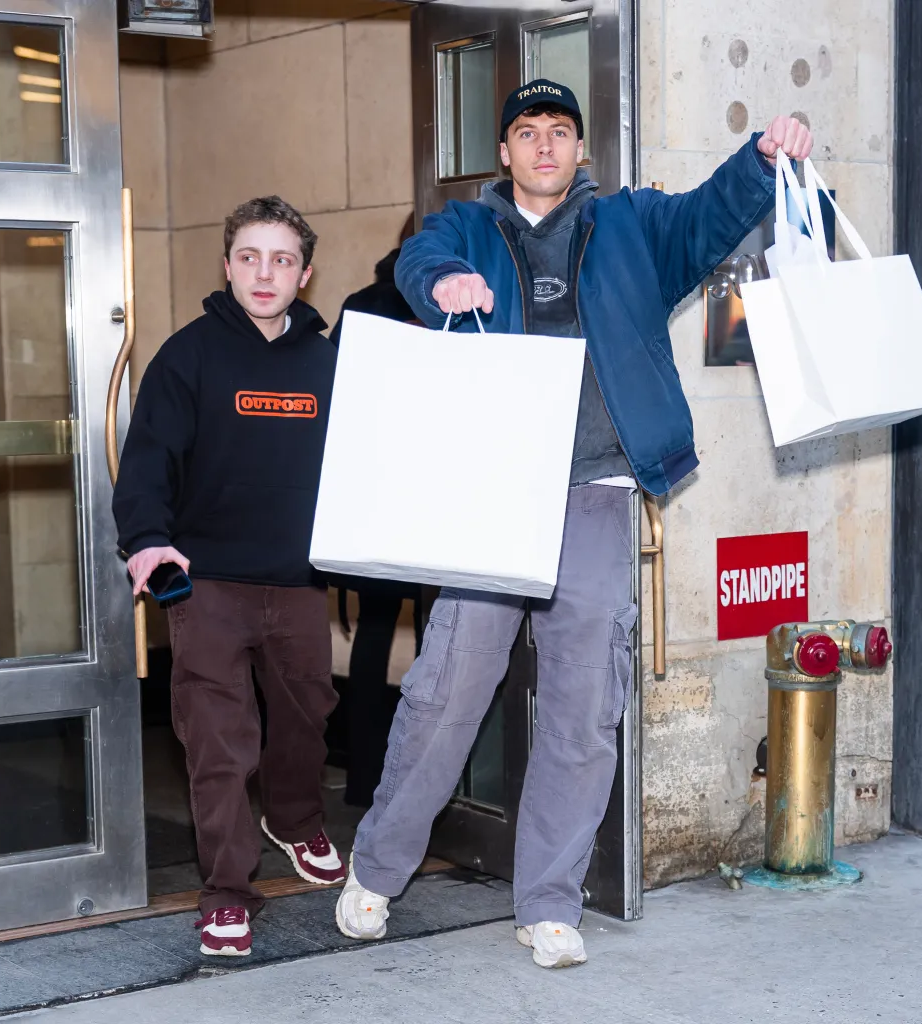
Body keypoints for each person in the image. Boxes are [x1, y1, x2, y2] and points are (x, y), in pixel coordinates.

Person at [334, 79, 813, 969]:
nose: (545, 145)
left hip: (596, 491)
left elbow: (712, 215)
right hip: (492, 492)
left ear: (581, 150)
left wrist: (763, 157)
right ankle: (377, 868)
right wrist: (443, 278)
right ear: (505, 152)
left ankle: (549, 902)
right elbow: (415, 260)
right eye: (527, 132)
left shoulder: (633, 225)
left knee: (583, 707)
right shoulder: (466, 226)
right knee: (446, 692)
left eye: (561, 131)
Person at [113, 195, 344, 959]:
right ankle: (225, 893)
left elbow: (369, 461)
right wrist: (147, 539)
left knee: (307, 713)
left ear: (304, 273)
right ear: (228, 266)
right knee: (217, 741)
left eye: (281, 259)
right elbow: (149, 462)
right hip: (208, 582)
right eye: (250, 256)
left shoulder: (330, 361)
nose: (264, 272)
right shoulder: (189, 356)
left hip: (301, 580)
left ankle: (295, 817)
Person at [329, 242, 424, 809]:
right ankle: (436, 787)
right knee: (455, 633)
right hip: (445, 487)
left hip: (379, 491)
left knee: (374, 633)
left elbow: (338, 401)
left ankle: (365, 779)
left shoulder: (361, 305)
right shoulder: (465, 293)